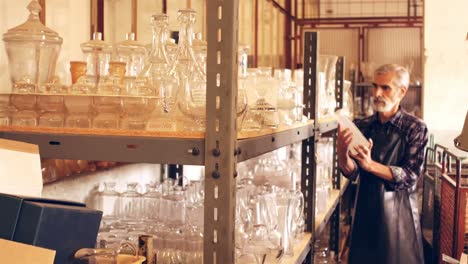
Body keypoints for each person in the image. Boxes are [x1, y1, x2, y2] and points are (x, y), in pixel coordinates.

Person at [337, 64, 428, 264]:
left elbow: (410, 176)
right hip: (365, 214)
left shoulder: (415, 128)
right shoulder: (363, 126)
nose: (377, 93)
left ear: (402, 91)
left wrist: (370, 165)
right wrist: (342, 153)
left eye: (385, 88)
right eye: (375, 86)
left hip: (399, 222)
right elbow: (352, 174)